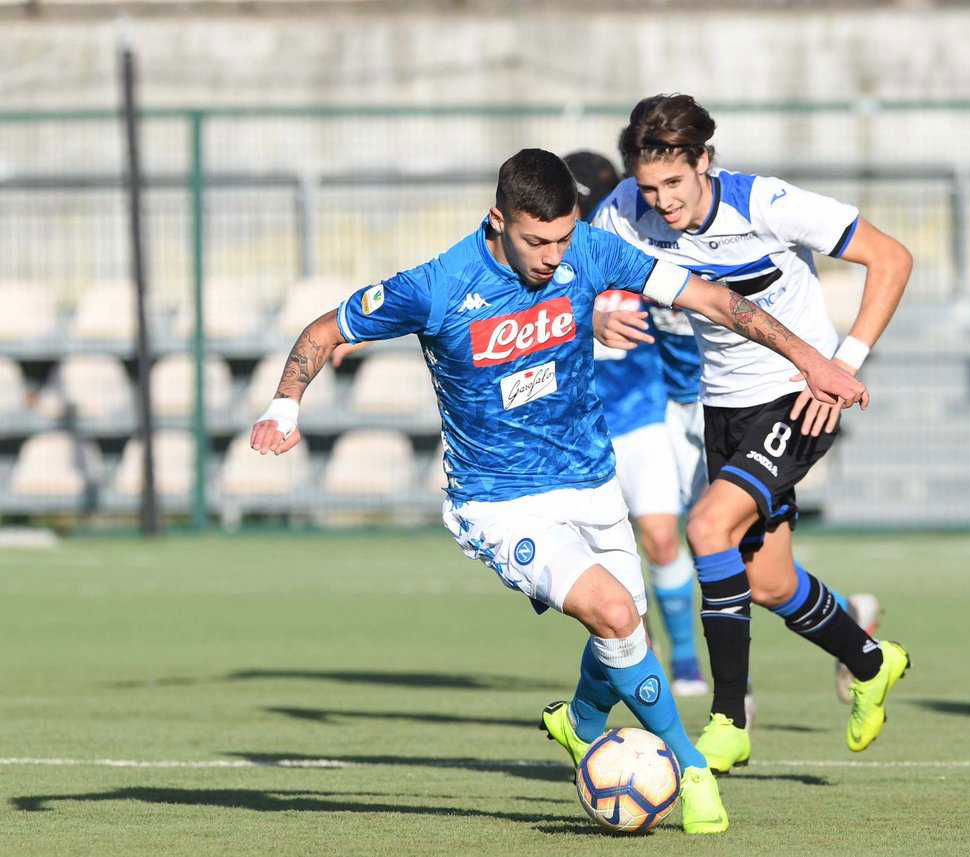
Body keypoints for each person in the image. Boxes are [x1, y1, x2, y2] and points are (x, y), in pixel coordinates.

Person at [249, 148, 868, 832]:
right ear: (498, 221)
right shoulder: (437, 285)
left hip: (591, 480)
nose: (551, 256)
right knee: (617, 616)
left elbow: (713, 299)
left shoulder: (592, 253)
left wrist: (815, 360)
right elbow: (323, 329)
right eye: (536, 241)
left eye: (563, 238)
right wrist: (285, 406)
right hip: (498, 500)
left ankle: (579, 722)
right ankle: (691, 767)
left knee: (619, 638)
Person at [591, 94, 912, 773]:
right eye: (651, 188)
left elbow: (892, 258)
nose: (663, 202)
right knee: (766, 581)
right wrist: (593, 313)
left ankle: (728, 718)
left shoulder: (766, 204)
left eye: (675, 184)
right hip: (723, 407)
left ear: (706, 160)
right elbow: (568, 274)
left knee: (706, 529)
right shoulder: (621, 209)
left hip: (798, 397)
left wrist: (840, 365)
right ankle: (872, 660)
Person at [564, 150, 706, 697]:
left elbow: (675, 325)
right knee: (606, 563)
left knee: (663, 538)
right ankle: (637, 669)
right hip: (579, 429)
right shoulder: (542, 266)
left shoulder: (628, 251)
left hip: (641, 413)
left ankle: (688, 662)